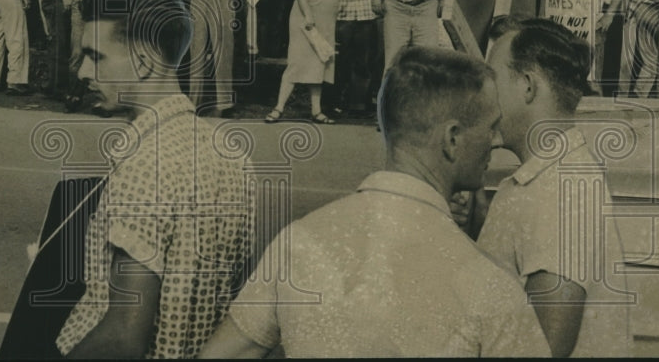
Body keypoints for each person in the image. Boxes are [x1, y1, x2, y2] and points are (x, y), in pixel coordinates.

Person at [200, 47, 550, 358]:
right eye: (491, 127)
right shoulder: (488, 286)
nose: (497, 139)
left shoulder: (299, 243)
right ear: (453, 139)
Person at [53, 0, 254, 358]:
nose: (83, 71)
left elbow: (123, 338)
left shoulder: (145, 164)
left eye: (95, 57)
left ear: (144, 60)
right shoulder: (231, 154)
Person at [476, 16, 632, 357]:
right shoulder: (548, 178)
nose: (481, 94)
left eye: (491, 79)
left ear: (528, 86)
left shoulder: (561, 190)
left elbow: (545, 348)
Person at [265, 0, 343, 124]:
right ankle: (278, 108)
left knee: (320, 62)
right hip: (307, 16)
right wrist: (308, 16)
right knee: (298, 61)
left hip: (325, 19)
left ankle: (316, 111)